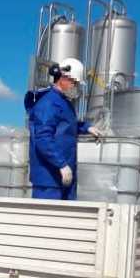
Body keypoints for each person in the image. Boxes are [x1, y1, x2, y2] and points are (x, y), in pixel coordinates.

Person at [25, 58, 101, 200]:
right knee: (48, 220)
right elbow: (43, 138)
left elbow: (66, 127)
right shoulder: (48, 104)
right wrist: (61, 164)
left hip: (64, 176)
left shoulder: (64, 103)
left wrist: (86, 127)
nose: (76, 87)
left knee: (67, 220)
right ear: (63, 78)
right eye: (74, 83)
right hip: (48, 180)